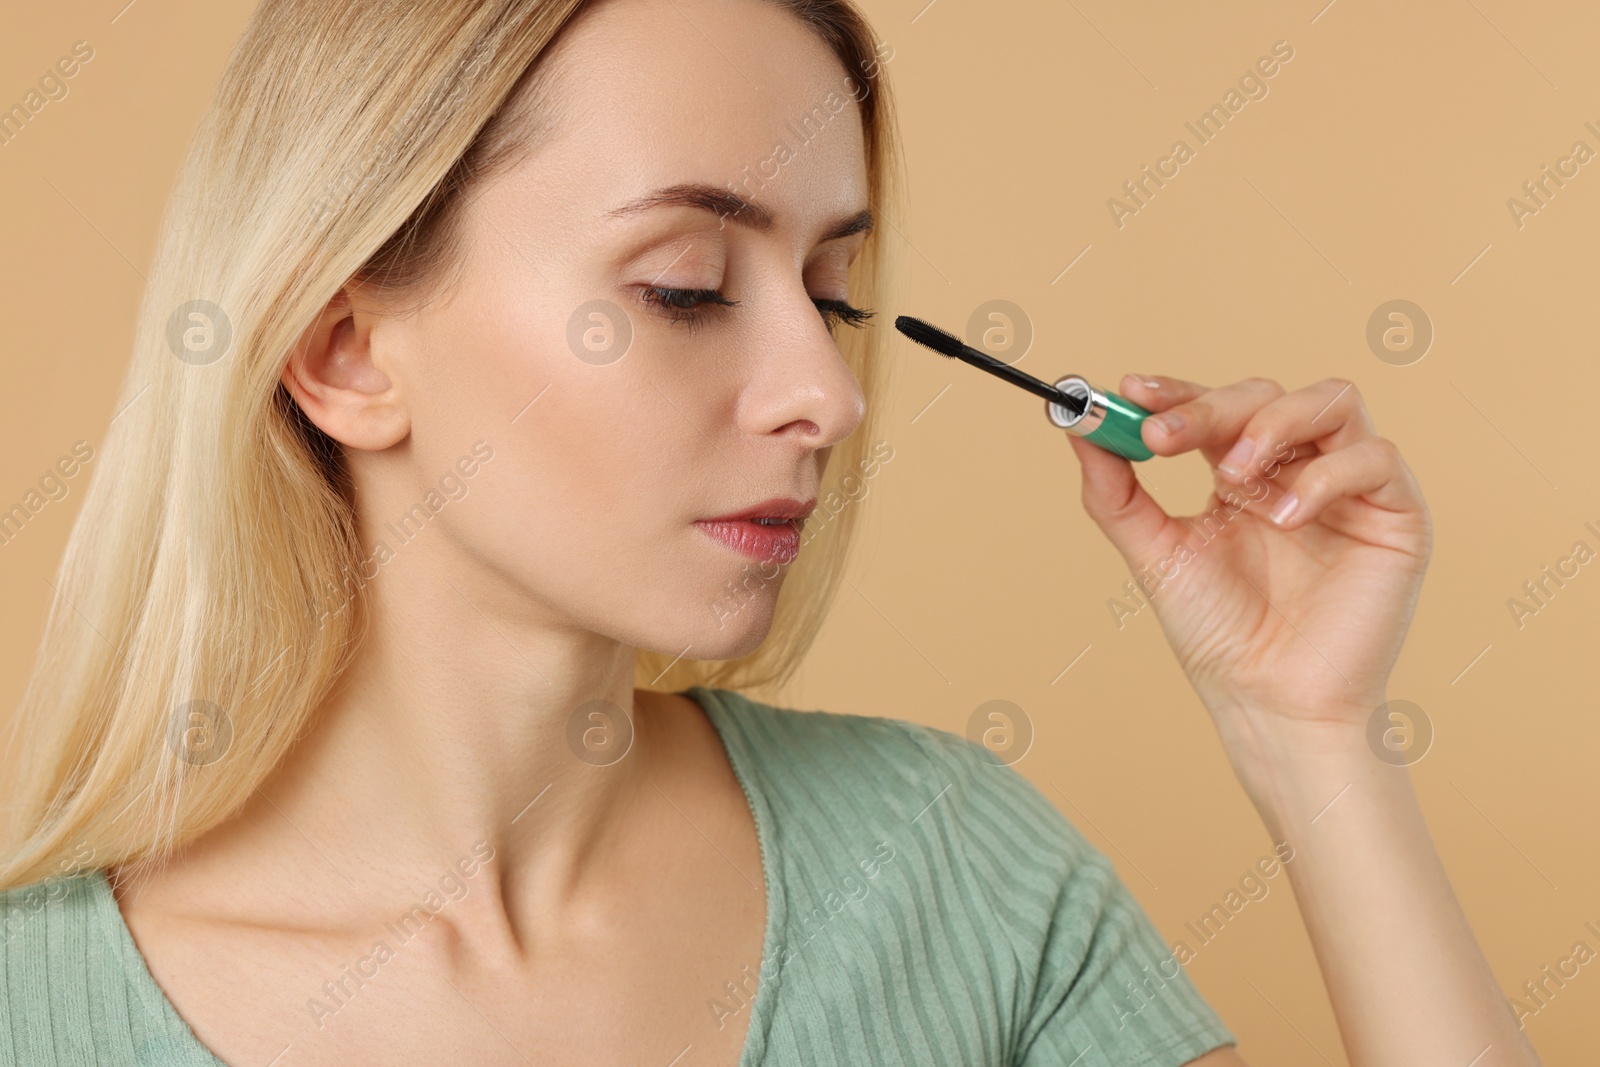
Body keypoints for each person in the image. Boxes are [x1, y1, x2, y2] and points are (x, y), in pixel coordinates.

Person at [0, 0, 1542, 1064]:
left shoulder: (946, 871)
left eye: (829, 290)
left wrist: (1314, 737)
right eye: (682, 285)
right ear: (345, 352)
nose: (826, 396)